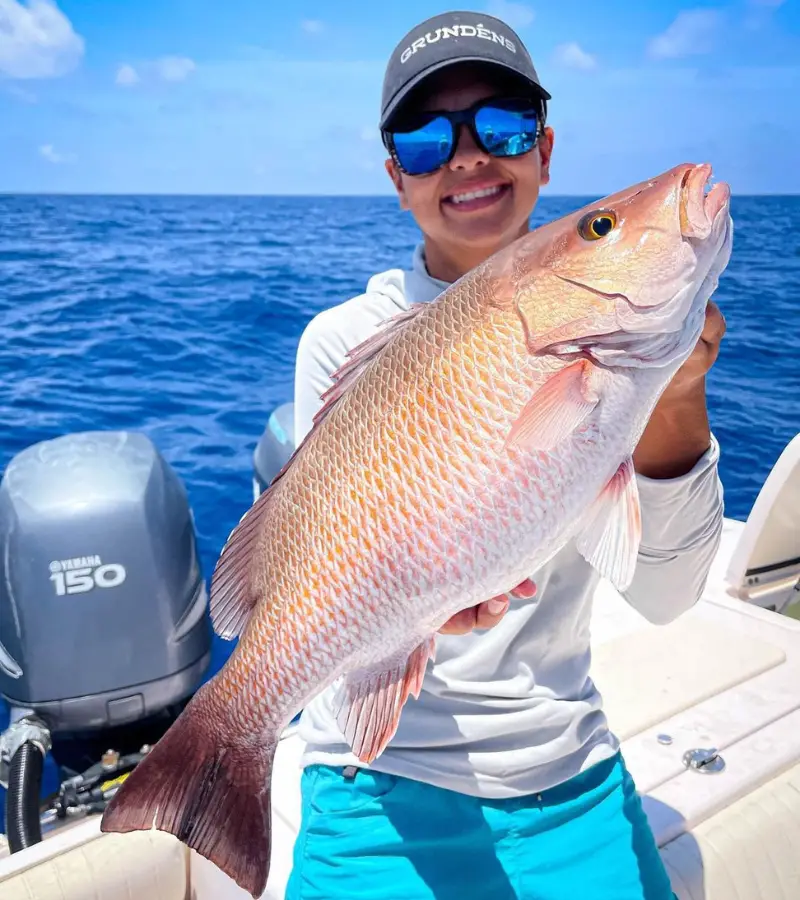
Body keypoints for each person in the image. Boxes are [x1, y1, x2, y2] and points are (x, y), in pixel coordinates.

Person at [286, 10, 726, 900]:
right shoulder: (341, 342)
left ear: (545, 150)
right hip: (370, 787)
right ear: (395, 177)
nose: (467, 156)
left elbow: (668, 596)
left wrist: (676, 397)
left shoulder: (616, 354)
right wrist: (412, 611)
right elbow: (320, 568)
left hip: (566, 777)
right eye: (423, 138)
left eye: (501, 125)